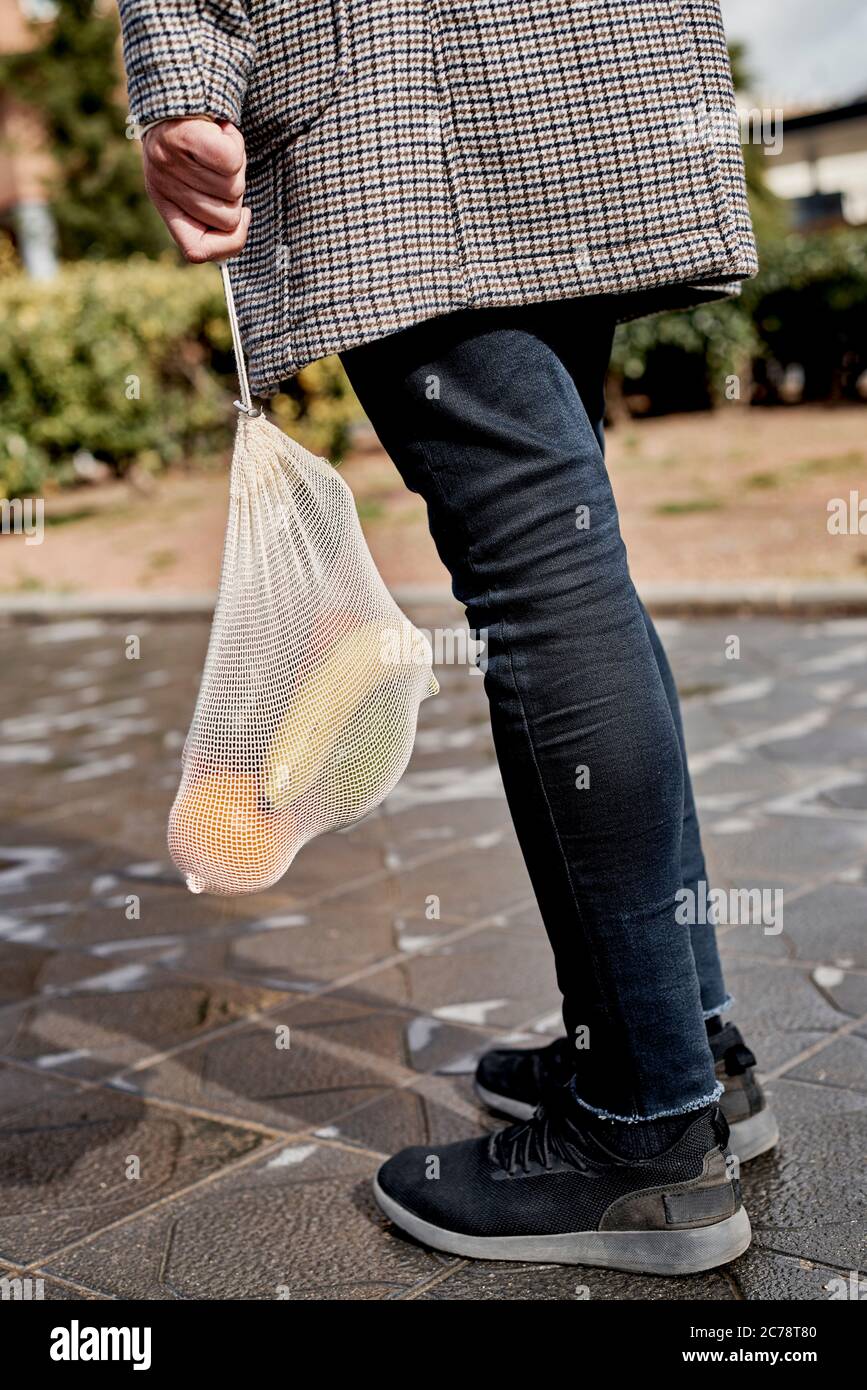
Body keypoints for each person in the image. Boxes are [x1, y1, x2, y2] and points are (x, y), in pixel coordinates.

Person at [119, 0, 777, 1273]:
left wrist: (184, 68)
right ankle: (686, 1042)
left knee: (539, 569)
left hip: (405, 84)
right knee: (568, 551)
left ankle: (645, 1128)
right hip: (577, 63)